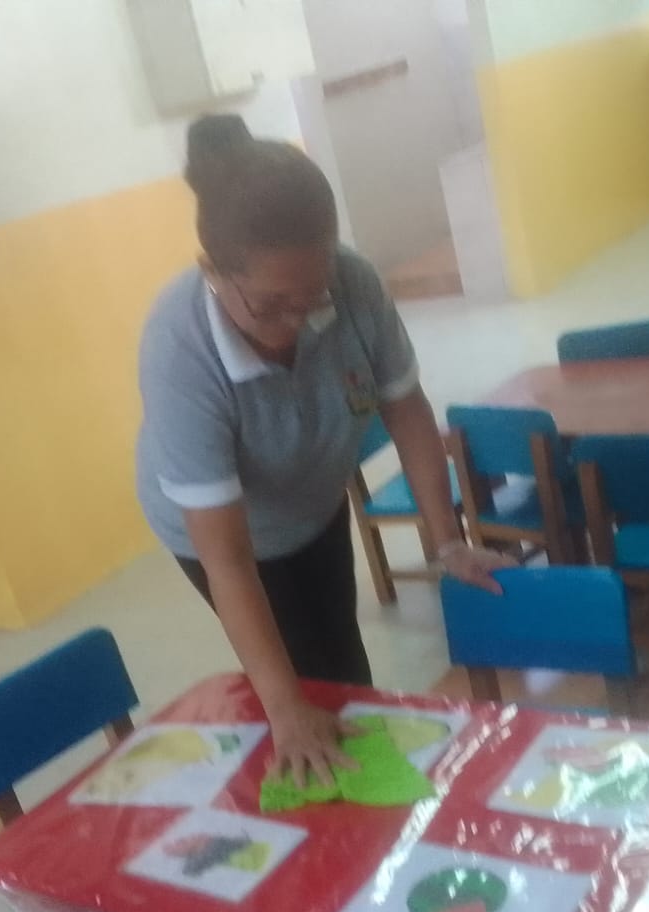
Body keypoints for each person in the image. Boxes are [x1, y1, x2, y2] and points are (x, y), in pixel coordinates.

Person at [137, 114, 509, 787]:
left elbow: (407, 410)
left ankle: (365, 795)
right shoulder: (178, 348)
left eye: (313, 299)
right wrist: (285, 710)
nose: (296, 323)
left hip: (313, 497)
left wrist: (446, 542)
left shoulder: (353, 283)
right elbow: (227, 558)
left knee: (341, 661)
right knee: (296, 685)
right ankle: (328, 796)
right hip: (227, 537)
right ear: (213, 272)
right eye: (271, 305)